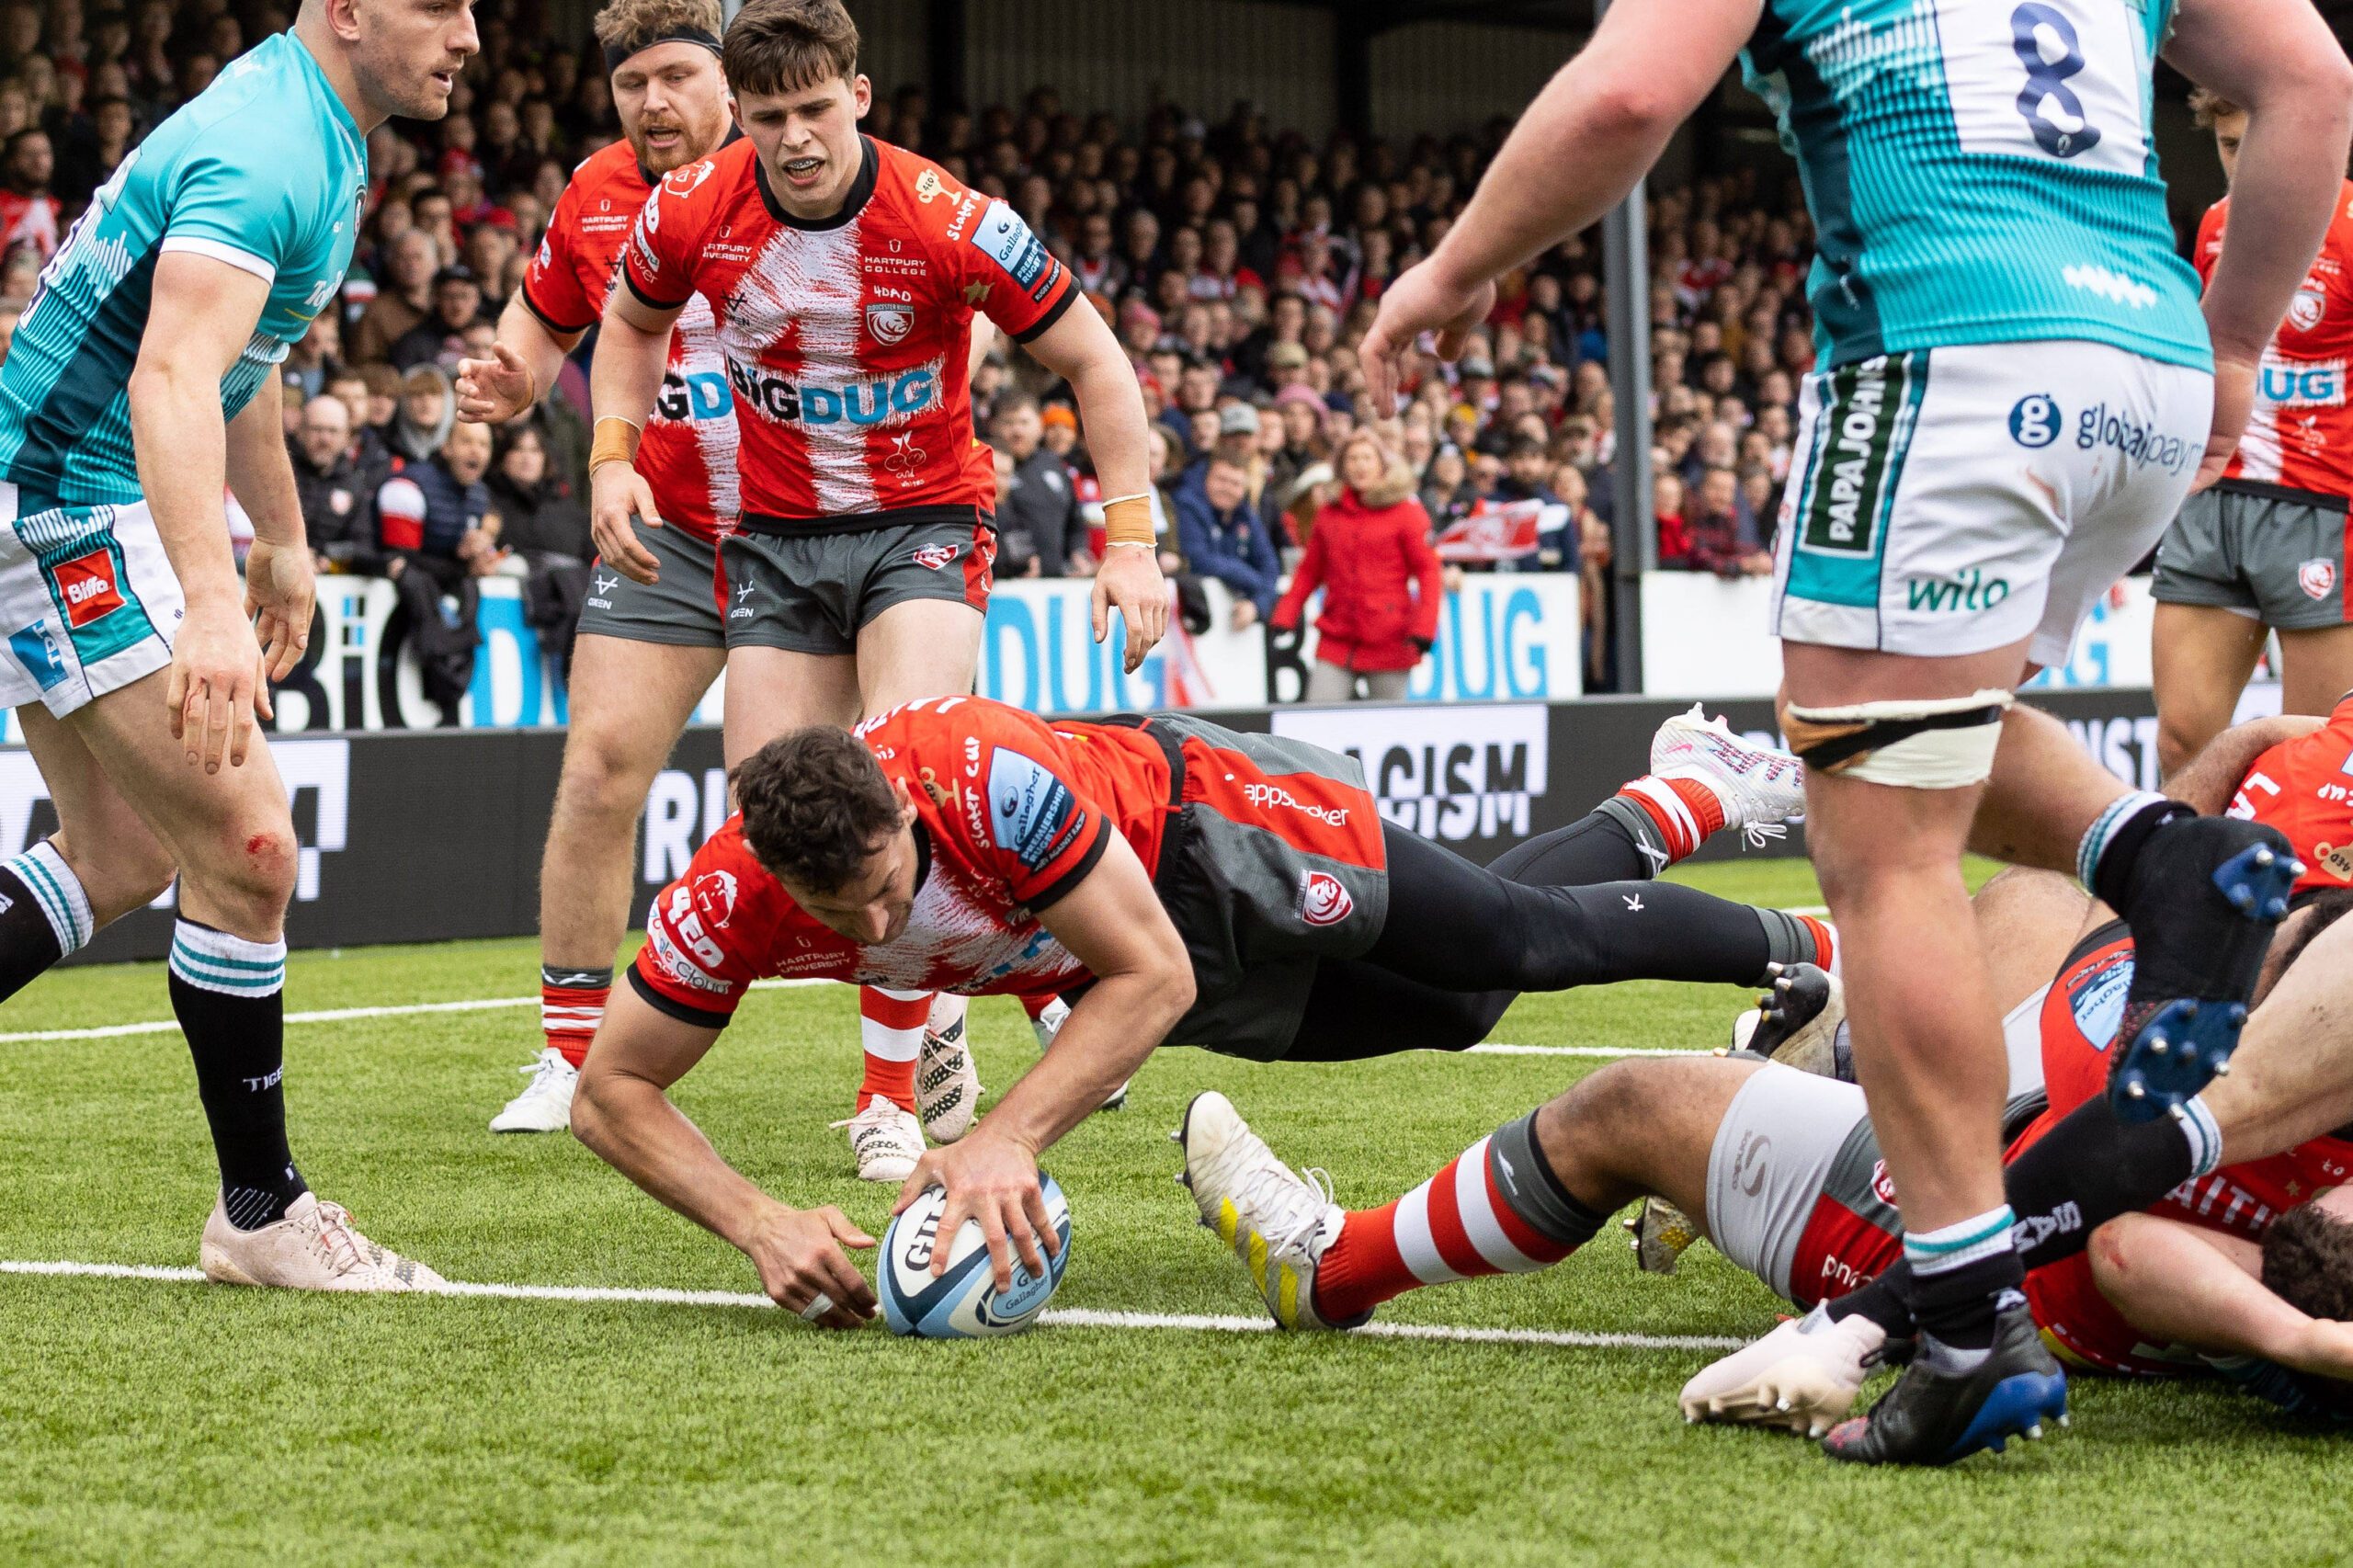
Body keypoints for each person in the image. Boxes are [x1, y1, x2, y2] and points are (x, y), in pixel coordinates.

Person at [1358, 0, 2353, 1464]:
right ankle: (2154, 852)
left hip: (1952, 349)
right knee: (1894, 732)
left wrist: (1456, 271)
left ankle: (1961, 1323)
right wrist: (2230, 347)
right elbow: (2311, 79)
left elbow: (1630, 99)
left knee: (1882, 850)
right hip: (2138, 367)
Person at [571, 697, 1816, 1324]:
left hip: (1210, 826)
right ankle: (1674, 798)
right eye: (837, 917)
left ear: (901, 816)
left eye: (889, 889)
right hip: (1107, 947)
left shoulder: (982, 779)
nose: (876, 931)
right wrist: (755, 1221)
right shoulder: (727, 892)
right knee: (1466, 1008)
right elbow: (611, 1091)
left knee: (1514, 936)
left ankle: (1808, 953)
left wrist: (1004, 1135)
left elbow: (1153, 976)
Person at [580, 0, 1166, 1180]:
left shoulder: (951, 219)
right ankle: (976, 987)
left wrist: (1133, 540)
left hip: (924, 526)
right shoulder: (690, 207)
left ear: (857, 95)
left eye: (814, 109)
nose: (795, 138)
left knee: (902, 777)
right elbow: (630, 326)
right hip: (780, 540)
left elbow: (1096, 358)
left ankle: (891, 1093)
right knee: (774, 817)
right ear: (735, 119)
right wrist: (610, 457)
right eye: (768, 117)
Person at [1179, 869, 2353, 1431]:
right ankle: (1811, 1055)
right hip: (2073, 1087)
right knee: (2033, 903)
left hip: (1995, 1217)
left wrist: (1866, 1319)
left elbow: (2131, 1223)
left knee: (1627, 1105)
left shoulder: (2260, 1233)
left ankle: (1332, 1267)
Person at [0, 0, 469, 1290]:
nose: (473, 32)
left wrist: (281, 535)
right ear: (353, 10)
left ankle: (255, 1210)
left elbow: (238, 357)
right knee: (251, 847)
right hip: (62, 500)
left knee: (124, 853)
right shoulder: (270, 142)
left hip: (47, 489)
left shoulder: (308, 121)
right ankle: (259, 1210)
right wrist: (213, 600)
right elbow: (167, 376)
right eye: (442, 4)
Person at [453, 0, 755, 1137]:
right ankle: (570, 1055)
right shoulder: (596, 191)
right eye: (634, 86)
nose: (654, 105)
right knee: (597, 775)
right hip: (662, 527)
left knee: (864, 787)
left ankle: (1010, 987)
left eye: (678, 78)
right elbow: (538, 336)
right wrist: (507, 381)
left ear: (729, 81)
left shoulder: (799, 166)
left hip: (808, 527)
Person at [2152, 87, 2353, 777]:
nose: (2243, 165)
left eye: (2256, 145)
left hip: (2323, 510)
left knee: (2319, 752)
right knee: (2183, 741)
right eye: (2230, 146)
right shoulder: (2214, 225)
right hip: (2214, 497)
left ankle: (2314, 889)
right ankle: (2167, 885)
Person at [1271, 428, 1439, 702]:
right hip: (1338, 636)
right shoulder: (1329, 513)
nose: (1360, 465)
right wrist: (1286, 613)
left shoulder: (1407, 512)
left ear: (1381, 465)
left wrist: (1424, 627)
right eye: (1352, 459)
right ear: (1341, 467)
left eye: (1367, 458)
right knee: (1318, 714)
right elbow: (1310, 570)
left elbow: (1429, 571)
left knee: (1389, 724)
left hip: (1390, 638)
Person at [1174, 454, 1279, 631]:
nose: (1228, 488)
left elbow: (1269, 564)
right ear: (1206, 478)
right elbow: (1198, 559)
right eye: (1222, 480)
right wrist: (1255, 582)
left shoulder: (1246, 515)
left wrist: (1257, 606)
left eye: (1236, 484)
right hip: (1192, 624)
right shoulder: (1188, 505)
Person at [290, 393, 375, 574]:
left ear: (346, 437)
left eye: (333, 431)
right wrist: (295, 556)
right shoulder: (280, 473)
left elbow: (363, 547)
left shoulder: (355, 484)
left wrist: (327, 556)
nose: (325, 439)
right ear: (300, 431)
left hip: (329, 585)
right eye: (317, 429)